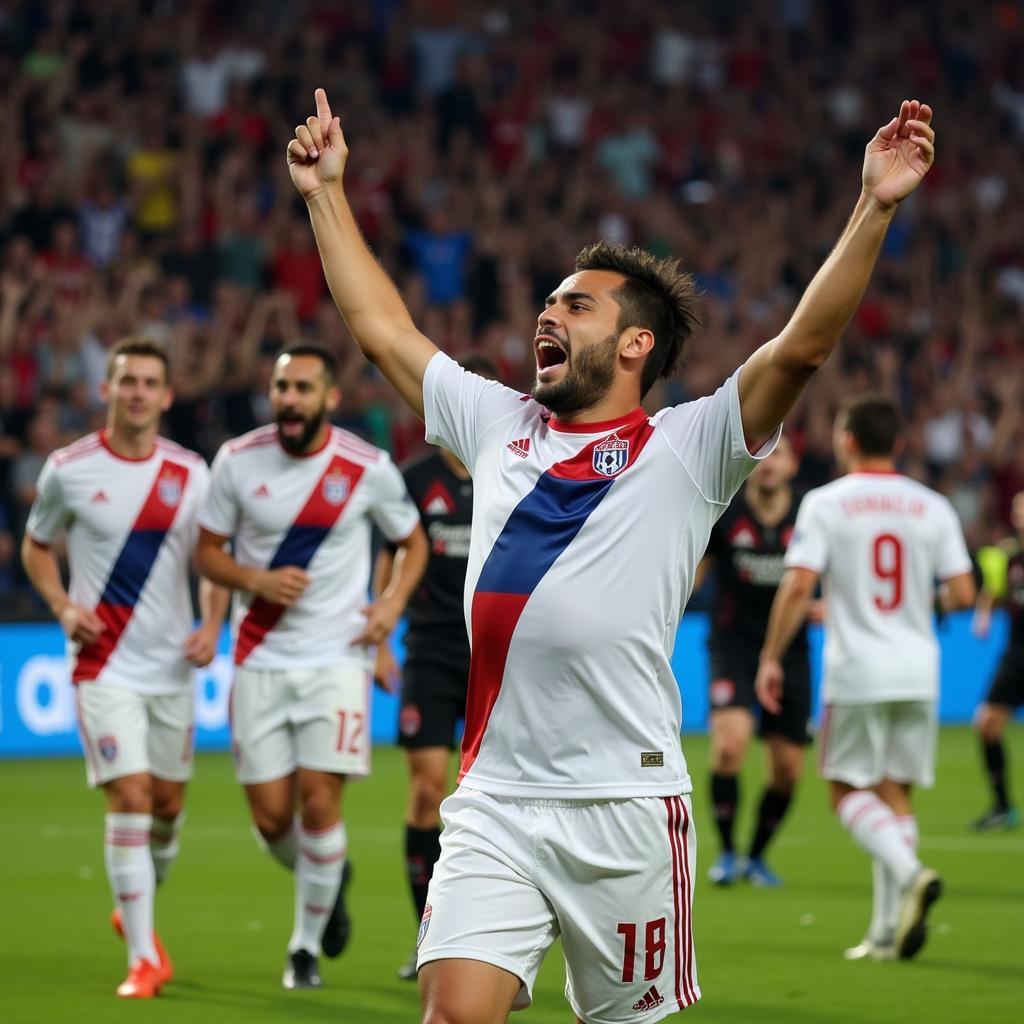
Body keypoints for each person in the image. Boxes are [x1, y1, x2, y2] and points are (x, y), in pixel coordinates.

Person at [288, 87, 935, 1023]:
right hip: (497, 798)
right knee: (450, 1017)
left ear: (636, 343)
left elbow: (803, 348)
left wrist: (874, 205)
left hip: (625, 809)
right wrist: (325, 195)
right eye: (548, 301)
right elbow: (382, 330)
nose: (548, 314)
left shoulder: (688, 447)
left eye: (576, 305)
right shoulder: (496, 423)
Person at [194, 342, 428, 990]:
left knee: (321, 801)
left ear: (330, 397)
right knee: (272, 820)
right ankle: (329, 874)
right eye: (281, 387)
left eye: (302, 388)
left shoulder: (366, 468)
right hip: (260, 656)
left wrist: (389, 608)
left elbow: (412, 542)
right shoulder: (238, 462)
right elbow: (207, 552)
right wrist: (254, 580)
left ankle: (303, 948)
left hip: (336, 658)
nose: (289, 399)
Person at [20, 337, 225, 999]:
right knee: (130, 796)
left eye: (148, 383)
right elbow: (36, 547)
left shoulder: (191, 473)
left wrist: (213, 622)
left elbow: (213, 559)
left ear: (166, 397)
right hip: (101, 664)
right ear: (106, 390)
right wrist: (59, 603)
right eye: (126, 380)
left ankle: (132, 899)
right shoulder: (68, 469)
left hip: (170, 666)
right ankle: (143, 955)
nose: (136, 392)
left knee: (167, 807)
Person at [756, 395, 975, 962]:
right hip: (919, 669)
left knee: (845, 791)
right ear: (898, 442)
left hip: (857, 670)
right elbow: (963, 594)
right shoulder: (932, 506)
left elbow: (800, 583)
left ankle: (910, 874)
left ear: (847, 439)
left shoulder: (828, 503)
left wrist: (772, 655)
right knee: (894, 792)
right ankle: (884, 932)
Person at [373, 352, 499, 981]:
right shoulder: (412, 477)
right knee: (426, 789)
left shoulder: (516, 468)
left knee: (482, 797)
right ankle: (427, 934)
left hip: (498, 658)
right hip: (429, 647)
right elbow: (392, 553)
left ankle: (488, 934)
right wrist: (378, 637)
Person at [696, 435, 810, 887]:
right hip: (733, 645)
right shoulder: (727, 512)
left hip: (790, 651)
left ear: (792, 465)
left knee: (787, 769)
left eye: (778, 454)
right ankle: (726, 853)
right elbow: (692, 573)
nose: (768, 463)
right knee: (730, 746)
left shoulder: (808, 517)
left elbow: (832, 574)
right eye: (761, 455)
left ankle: (757, 857)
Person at [969, 490, 1024, 830]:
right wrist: (984, 613)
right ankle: (1003, 806)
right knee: (987, 723)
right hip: (1017, 652)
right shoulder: (1010, 557)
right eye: (1019, 510)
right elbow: (996, 589)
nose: (1021, 515)